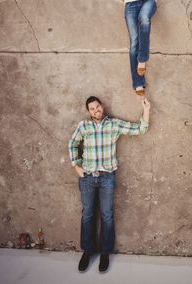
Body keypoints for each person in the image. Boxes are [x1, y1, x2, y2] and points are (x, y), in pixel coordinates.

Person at [68, 95, 151, 273]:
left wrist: (146, 110)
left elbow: (140, 129)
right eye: (92, 109)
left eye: (97, 107)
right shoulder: (84, 126)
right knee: (88, 214)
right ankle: (88, 251)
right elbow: (72, 143)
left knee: (107, 215)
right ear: (88, 112)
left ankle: (105, 253)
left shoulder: (113, 125)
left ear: (102, 107)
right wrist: (76, 166)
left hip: (107, 178)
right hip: (88, 177)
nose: (96, 110)